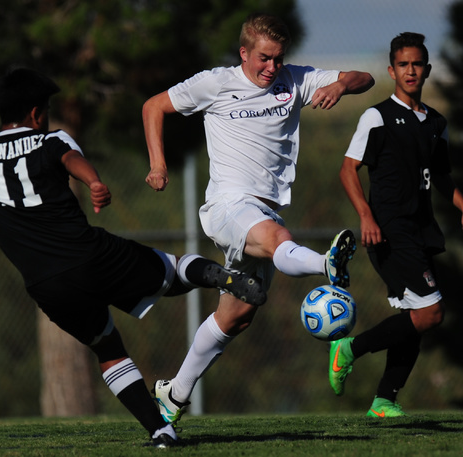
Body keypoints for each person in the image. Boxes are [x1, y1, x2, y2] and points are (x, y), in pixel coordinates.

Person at [0, 68, 268, 447]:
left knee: (107, 348)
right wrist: (95, 182)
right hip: (91, 255)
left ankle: (160, 431)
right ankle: (221, 275)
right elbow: (70, 158)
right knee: (173, 270)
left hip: (46, 284)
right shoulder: (49, 139)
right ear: (36, 113)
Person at [142, 12, 374, 423]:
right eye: (264, 58)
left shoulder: (294, 80)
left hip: (264, 208)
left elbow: (364, 78)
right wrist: (158, 165)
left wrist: (339, 84)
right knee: (277, 236)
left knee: (238, 315)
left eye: (279, 59)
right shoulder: (215, 83)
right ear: (244, 52)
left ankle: (173, 395)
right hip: (228, 206)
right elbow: (154, 106)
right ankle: (326, 263)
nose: (272, 68)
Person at [331, 32, 463, 417]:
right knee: (432, 312)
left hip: (421, 229)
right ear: (392, 71)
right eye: (403, 65)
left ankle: (384, 400)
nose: (411, 71)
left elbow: (442, 175)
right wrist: (366, 216)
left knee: (413, 318)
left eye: (417, 64)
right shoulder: (376, 117)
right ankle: (349, 348)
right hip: (388, 230)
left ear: (427, 70)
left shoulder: (436, 122)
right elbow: (348, 170)